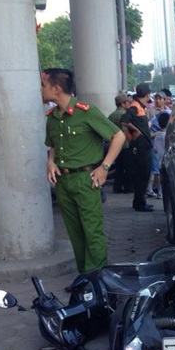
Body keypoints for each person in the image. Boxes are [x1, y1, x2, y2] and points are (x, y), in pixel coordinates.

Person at [42, 68, 125, 273]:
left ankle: (96, 279)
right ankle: (84, 278)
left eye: (43, 85)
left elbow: (119, 136)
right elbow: (52, 144)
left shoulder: (86, 112)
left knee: (92, 231)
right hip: (63, 181)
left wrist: (104, 167)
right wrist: (51, 162)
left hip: (86, 180)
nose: (40, 90)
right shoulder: (53, 117)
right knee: (75, 232)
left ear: (57, 88)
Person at [122, 83, 154, 212]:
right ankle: (140, 203)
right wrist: (136, 131)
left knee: (144, 174)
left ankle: (140, 201)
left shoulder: (139, 107)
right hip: (140, 145)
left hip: (143, 144)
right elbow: (124, 120)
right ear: (147, 95)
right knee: (142, 174)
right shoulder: (135, 107)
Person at [108, 92, 134, 194]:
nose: (129, 104)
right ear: (123, 103)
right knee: (128, 167)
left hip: (114, 144)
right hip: (124, 145)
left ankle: (117, 187)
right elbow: (125, 131)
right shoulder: (123, 115)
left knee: (119, 167)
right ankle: (128, 187)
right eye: (127, 102)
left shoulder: (111, 115)